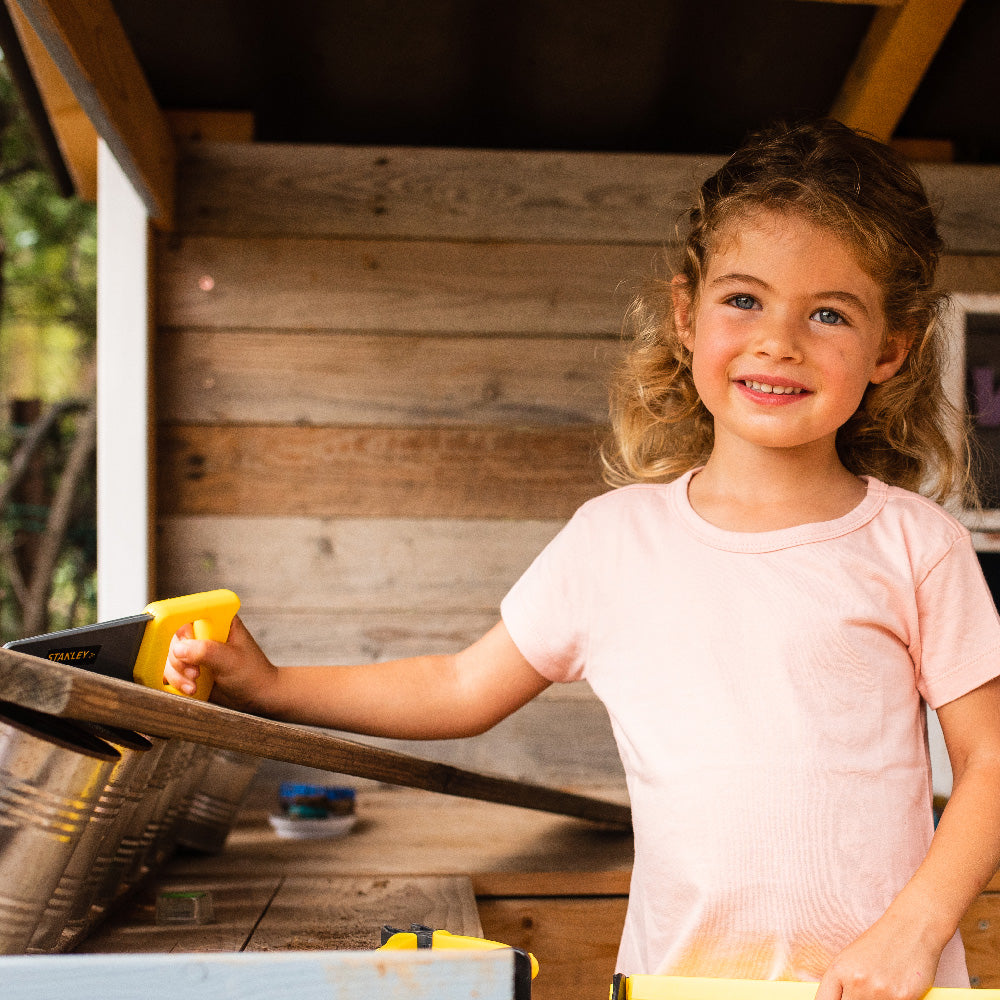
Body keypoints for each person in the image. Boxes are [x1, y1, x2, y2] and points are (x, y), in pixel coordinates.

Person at [166, 118, 1000, 999]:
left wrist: (913, 934)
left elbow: (990, 759)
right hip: (679, 988)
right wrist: (270, 686)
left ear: (890, 347)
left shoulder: (917, 544)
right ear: (686, 314)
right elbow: (460, 687)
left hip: (883, 993)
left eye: (828, 313)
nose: (778, 341)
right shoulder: (613, 542)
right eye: (744, 300)